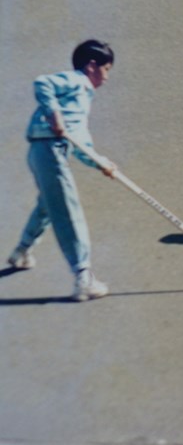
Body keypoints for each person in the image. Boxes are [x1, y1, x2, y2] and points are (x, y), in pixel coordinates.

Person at [8, 40, 117, 301]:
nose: (107, 77)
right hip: (48, 149)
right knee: (68, 209)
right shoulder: (76, 80)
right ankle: (83, 276)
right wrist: (54, 113)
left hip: (43, 151)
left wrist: (100, 162)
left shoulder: (83, 99)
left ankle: (22, 251)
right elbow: (42, 83)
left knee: (48, 204)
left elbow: (82, 144)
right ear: (92, 66)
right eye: (107, 69)